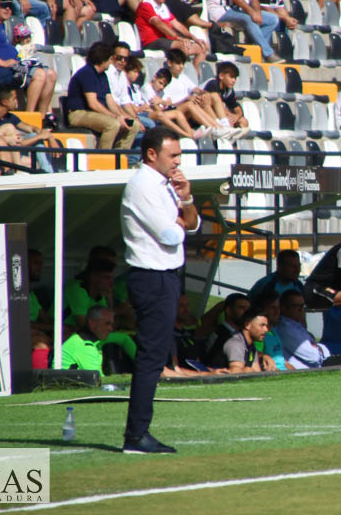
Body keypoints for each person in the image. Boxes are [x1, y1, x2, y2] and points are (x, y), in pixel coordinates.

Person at [121, 126, 200, 454]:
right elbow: (171, 235)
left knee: (154, 356)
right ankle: (136, 435)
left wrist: (187, 199)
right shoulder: (142, 185)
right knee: (151, 358)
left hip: (166, 276)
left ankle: (139, 433)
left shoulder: (167, 185)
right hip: (151, 276)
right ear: (151, 154)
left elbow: (193, 224)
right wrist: (180, 224)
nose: (177, 162)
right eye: (173, 155)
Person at [0, 0, 57, 116]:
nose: (7, 9)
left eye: (9, 6)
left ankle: (42, 116)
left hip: (11, 69)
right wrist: (3, 63)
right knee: (39, 74)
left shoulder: (1, 25)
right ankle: (29, 116)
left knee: (51, 74)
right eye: (3, 6)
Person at [66, 42, 143, 151]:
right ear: (103, 59)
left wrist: (121, 116)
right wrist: (115, 117)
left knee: (133, 125)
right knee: (113, 124)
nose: (112, 62)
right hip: (78, 113)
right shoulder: (87, 73)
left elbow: (110, 101)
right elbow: (93, 103)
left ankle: (119, 158)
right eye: (111, 59)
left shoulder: (103, 76)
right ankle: (104, 159)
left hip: (93, 113)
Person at [0, 82, 55, 173]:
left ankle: (48, 173)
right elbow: (17, 143)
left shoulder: (10, 116)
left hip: (15, 153)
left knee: (33, 136)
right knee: (36, 140)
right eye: (14, 99)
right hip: (0, 156)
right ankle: (48, 174)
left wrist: (50, 137)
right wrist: (40, 136)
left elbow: (31, 128)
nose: (17, 101)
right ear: (5, 102)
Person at [135, 0, 209, 66]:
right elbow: (159, 24)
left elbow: (177, 24)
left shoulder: (163, 6)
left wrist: (194, 38)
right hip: (152, 41)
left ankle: (195, 76)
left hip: (168, 41)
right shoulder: (146, 5)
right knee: (183, 46)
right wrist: (178, 38)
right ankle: (180, 74)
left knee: (201, 48)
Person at [275, 288, 329, 369]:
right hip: (300, 373)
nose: (301, 310)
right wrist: (320, 349)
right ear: (284, 308)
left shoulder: (296, 325)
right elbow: (313, 357)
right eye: (296, 306)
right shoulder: (285, 328)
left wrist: (318, 347)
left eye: (302, 306)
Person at [60, 305, 115, 372]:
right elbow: (97, 380)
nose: (111, 329)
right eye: (107, 323)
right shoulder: (84, 345)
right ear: (92, 323)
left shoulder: (82, 339)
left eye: (112, 324)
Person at [200, 292, 250, 366]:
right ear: (229, 311)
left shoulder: (242, 336)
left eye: (248, 309)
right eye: (241, 308)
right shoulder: (219, 335)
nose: (246, 313)